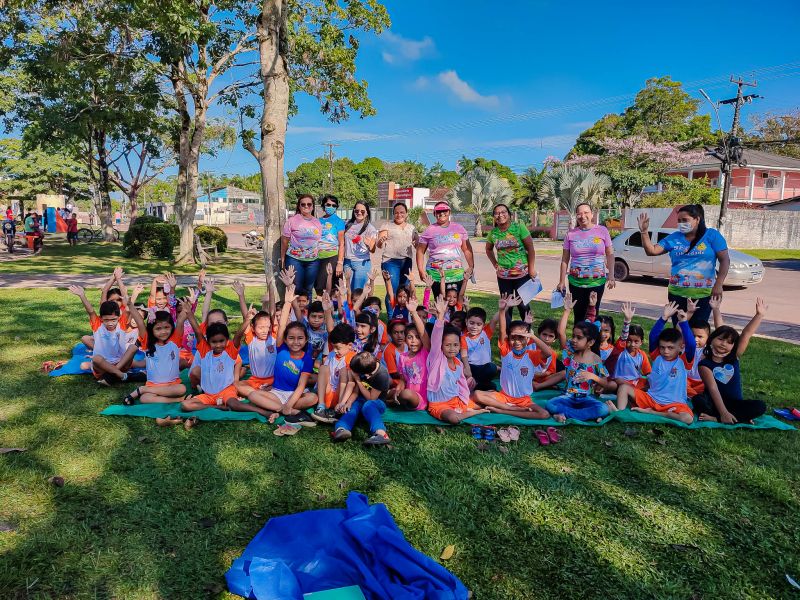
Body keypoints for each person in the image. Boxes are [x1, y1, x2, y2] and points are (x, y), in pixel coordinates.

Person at [637, 204, 730, 325]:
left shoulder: (712, 235)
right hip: (677, 294)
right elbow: (652, 251)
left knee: (698, 331)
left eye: (685, 220)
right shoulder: (674, 238)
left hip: (703, 295)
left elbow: (725, 260)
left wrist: (719, 284)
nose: (681, 223)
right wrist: (644, 232)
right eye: (679, 221)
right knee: (679, 329)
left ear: (697, 219)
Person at [612, 302, 695, 424]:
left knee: (687, 418)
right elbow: (653, 336)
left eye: (670, 348)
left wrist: (684, 322)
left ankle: (653, 413)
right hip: (651, 399)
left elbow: (691, 345)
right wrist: (664, 317)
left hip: (674, 404)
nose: (665, 351)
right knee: (624, 388)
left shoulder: (683, 360)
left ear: (681, 347)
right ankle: (620, 413)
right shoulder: (657, 356)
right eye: (662, 347)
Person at [472, 294, 552, 419]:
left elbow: (548, 353)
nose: (517, 341)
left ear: (527, 339)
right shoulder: (506, 351)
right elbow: (502, 331)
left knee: (544, 414)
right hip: (504, 397)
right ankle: (508, 408)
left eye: (521, 338)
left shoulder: (531, 355)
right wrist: (502, 310)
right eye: (513, 338)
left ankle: (503, 411)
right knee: (476, 394)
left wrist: (533, 336)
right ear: (509, 339)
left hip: (524, 400)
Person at [692, 299, 768, 424]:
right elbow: (713, 389)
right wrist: (723, 412)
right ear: (711, 339)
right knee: (698, 400)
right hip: (714, 403)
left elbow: (746, 334)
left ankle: (718, 419)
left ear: (733, 346)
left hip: (734, 404)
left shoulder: (734, 357)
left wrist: (759, 315)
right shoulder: (704, 364)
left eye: (729, 342)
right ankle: (733, 417)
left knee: (760, 406)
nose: (723, 344)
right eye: (721, 339)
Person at [545, 292, 611, 423]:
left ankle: (564, 414)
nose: (574, 340)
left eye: (579, 338)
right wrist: (567, 311)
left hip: (586, 398)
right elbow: (561, 332)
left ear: (590, 342)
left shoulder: (596, 359)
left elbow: (605, 383)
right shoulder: (569, 353)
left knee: (603, 409)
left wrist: (593, 377)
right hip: (567, 397)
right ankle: (584, 416)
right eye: (574, 336)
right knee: (550, 404)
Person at [425, 296, 488, 424]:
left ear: (460, 345)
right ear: (441, 346)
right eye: (447, 345)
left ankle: (468, 409)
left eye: (455, 345)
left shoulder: (458, 363)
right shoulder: (437, 357)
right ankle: (475, 412)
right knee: (453, 418)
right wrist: (440, 316)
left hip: (457, 401)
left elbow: (461, 383)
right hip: (439, 405)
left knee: (486, 400)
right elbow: (436, 337)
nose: (452, 349)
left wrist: (468, 384)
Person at [122, 288, 188, 405]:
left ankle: (142, 390)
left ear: (171, 327)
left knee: (182, 388)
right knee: (144, 399)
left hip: (172, 385)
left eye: (166, 327)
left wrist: (189, 305)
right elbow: (140, 322)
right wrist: (130, 305)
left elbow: (181, 319)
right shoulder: (147, 342)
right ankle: (178, 400)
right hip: (153, 385)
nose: (163, 332)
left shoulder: (175, 340)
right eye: (158, 328)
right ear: (151, 330)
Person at [180, 304, 249, 413]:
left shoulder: (230, 349)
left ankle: (264, 412)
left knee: (234, 404)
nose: (218, 345)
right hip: (209, 395)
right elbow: (198, 332)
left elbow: (238, 336)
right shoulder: (205, 350)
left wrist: (247, 320)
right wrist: (189, 313)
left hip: (225, 391)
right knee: (185, 405)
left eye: (221, 341)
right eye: (214, 342)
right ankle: (218, 406)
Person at [68, 285, 141, 386]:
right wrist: (82, 295)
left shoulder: (122, 324)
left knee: (133, 347)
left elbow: (128, 309)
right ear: (101, 318)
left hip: (121, 364)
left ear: (119, 317)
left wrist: (134, 294)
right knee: (96, 358)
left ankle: (113, 374)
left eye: (113, 320)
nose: (110, 323)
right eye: (106, 320)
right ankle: (120, 375)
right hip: (102, 368)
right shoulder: (97, 325)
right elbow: (91, 311)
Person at [557, 203, 615, 322]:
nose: (582, 216)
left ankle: (592, 335)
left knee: (593, 315)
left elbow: (610, 254)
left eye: (586, 213)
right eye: (579, 214)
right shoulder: (570, 234)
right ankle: (578, 334)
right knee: (579, 317)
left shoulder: (602, 231)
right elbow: (565, 259)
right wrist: (561, 281)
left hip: (596, 282)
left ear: (592, 214)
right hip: (576, 283)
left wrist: (611, 275)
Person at [485, 203, 537, 321]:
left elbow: (530, 248)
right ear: (494, 216)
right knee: (506, 305)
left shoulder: (519, 227)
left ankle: (527, 330)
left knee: (523, 304)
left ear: (509, 214)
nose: (500, 215)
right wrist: (495, 264)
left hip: (522, 274)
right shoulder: (493, 233)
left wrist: (531, 269)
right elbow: (488, 249)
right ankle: (507, 331)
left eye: (503, 212)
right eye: (497, 213)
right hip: (504, 276)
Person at [332, 351, 393, 446]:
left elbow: (371, 398)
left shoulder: (382, 374)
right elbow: (356, 392)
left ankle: (381, 434)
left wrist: (358, 381)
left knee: (368, 405)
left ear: (367, 373)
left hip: (377, 402)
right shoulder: (361, 366)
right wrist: (348, 402)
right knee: (353, 406)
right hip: (361, 399)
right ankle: (341, 429)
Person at [416, 201, 474, 299]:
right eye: (438, 211)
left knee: (456, 301)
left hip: (456, 273)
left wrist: (471, 266)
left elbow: (467, 249)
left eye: (445, 211)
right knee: (440, 302)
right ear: (434, 214)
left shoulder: (459, 228)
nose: (442, 213)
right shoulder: (429, 230)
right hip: (435, 274)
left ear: (449, 212)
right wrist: (421, 270)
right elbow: (420, 251)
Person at [391, 297, 431, 411]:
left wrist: (413, 312)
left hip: (422, 399)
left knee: (406, 394)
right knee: (393, 392)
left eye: (417, 338)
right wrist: (398, 388)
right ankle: (396, 399)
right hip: (408, 394)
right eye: (410, 337)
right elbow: (403, 379)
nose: (413, 341)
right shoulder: (403, 357)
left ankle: (398, 400)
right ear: (405, 339)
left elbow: (423, 333)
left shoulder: (425, 352)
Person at [281, 194, 323, 300]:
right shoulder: (292, 221)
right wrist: (283, 258)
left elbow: (319, 240)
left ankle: (308, 310)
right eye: (303, 204)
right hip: (295, 259)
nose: (306, 206)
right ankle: (293, 310)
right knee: (296, 288)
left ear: (313, 206)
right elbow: (285, 241)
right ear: (299, 206)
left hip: (313, 261)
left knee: (309, 290)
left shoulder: (317, 222)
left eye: (309, 204)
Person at [603, 302, 651, 394]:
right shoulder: (620, 350)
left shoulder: (642, 355)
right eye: (629, 341)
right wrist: (627, 321)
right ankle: (633, 392)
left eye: (636, 342)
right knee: (617, 382)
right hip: (619, 381)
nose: (632, 344)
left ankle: (634, 392)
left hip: (635, 382)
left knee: (650, 382)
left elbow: (648, 373)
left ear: (641, 342)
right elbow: (623, 337)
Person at [378, 202, 418, 310]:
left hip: (407, 261)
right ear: (393, 214)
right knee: (393, 290)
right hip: (390, 262)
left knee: (405, 291)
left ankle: (403, 314)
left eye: (402, 212)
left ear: (406, 214)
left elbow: (418, 245)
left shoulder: (412, 228)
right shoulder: (387, 226)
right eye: (396, 213)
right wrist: (381, 241)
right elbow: (378, 244)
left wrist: (416, 243)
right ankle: (391, 316)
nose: (399, 215)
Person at [460, 306, 499, 392]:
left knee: (492, 368)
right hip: (472, 367)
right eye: (471, 323)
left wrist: (504, 308)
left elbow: (495, 320)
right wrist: (467, 368)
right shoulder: (464, 338)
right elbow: (464, 355)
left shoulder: (486, 332)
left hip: (485, 367)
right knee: (464, 371)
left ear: (483, 325)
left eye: (478, 324)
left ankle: (477, 385)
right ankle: (483, 386)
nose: (474, 327)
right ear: (466, 322)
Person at [315, 194, 346, 296]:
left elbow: (341, 243)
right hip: (318, 258)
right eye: (328, 204)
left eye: (334, 205)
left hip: (332, 257)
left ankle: (335, 306)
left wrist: (339, 263)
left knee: (334, 290)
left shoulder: (339, 222)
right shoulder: (318, 221)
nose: (331, 207)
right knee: (318, 288)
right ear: (323, 205)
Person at [343, 202, 377, 291]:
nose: (359, 213)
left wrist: (368, 245)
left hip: (362, 263)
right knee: (349, 291)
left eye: (362, 211)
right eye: (356, 211)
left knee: (358, 292)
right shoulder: (347, 224)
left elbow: (373, 250)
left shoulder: (370, 228)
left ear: (367, 213)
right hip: (347, 262)